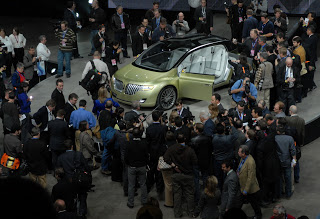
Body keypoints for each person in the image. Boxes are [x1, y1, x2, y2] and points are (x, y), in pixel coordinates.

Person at [163, 133, 198, 218]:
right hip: (188, 175)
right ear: (185, 140)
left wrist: (173, 165)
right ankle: (191, 212)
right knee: (189, 194)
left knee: (177, 194)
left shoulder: (172, 149)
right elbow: (195, 162)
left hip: (176, 174)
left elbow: (165, 158)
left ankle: (177, 213)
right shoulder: (190, 150)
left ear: (176, 140)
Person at [56, 139, 89, 217]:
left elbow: (58, 170)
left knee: (70, 197)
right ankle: (82, 212)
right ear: (72, 146)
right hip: (80, 180)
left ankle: (72, 213)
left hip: (68, 181)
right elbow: (86, 166)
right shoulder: (79, 154)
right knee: (82, 196)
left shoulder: (61, 157)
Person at [125, 127, 149, 208]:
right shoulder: (144, 144)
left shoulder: (128, 144)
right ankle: (144, 201)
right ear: (140, 135)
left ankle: (131, 203)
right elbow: (147, 156)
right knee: (143, 184)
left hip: (131, 167)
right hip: (142, 166)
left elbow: (126, 156)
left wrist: (128, 163)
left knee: (131, 185)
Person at [237, 145, 262, 219]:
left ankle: (258, 215)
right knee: (240, 202)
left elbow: (250, 177)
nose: (238, 152)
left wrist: (245, 190)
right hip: (243, 185)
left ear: (244, 153)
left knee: (254, 203)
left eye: (239, 151)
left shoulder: (250, 162)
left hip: (250, 188)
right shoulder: (243, 158)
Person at [212, 121, 238, 189]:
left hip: (217, 160)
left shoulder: (214, 137)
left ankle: (220, 190)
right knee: (226, 177)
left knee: (218, 177)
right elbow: (236, 135)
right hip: (226, 160)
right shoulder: (228, 138)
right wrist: (231, 125)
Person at [190, 123, 212, 203]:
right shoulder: (208, 138)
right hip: (206, 161)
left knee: (196, 180)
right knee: (205, 178)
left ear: (197, 130)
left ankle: (198, 198)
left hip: (196, 162)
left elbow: (192, 152)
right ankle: (207, 196)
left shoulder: (193, 140)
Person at [146, 111, 167, 194]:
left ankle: (149, 185)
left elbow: (147, 142)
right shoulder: (163, 128)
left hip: (152, 152)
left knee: (151, 170)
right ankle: (159, 188)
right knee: (160, 171)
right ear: (159, 118)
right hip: (161, 152)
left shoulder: (149, 129)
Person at [275, 125, 296, 199]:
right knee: (288, 178)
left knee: (280, 178)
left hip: (278, 162)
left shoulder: (275, 138)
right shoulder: (290, 138)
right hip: (287, 161)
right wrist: (294, 161)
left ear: (277, 131)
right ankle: (288, 194)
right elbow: (293, 151)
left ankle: (280, 194)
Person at [286, 105, 305, 183]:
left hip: (289, 143)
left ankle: (290, 179)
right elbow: (303, 134)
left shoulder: (288, 120)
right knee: (296, 160)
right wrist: (301, 143)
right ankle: (297, 177)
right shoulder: (302, 120)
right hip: (297, 143)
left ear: (290, 111)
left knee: (289, 160)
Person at [303, 26, 318, 91]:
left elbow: (309, 48)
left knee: (310, 71)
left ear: (310, 31)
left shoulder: (312, 38)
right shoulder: (312, 37)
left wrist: (311, 63)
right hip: (310, 58)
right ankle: (311, 84)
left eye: (307, 30)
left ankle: (311, 85)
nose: (306, 31)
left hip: (310, 58)